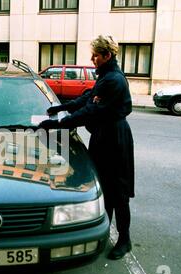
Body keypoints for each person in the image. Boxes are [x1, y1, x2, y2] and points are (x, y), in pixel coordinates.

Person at [39, 35, 135, 260]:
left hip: (115, 139)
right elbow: (89, 98)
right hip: (104, 136)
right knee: (104, 186)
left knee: (118, 192)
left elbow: (91, 110)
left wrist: (58, 123)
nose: (92, 59)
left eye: (95, 55)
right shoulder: (106, 76)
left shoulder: (114, 80)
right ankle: (106, 230)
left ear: (107, 56)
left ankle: (125, 240)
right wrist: (62, 107)